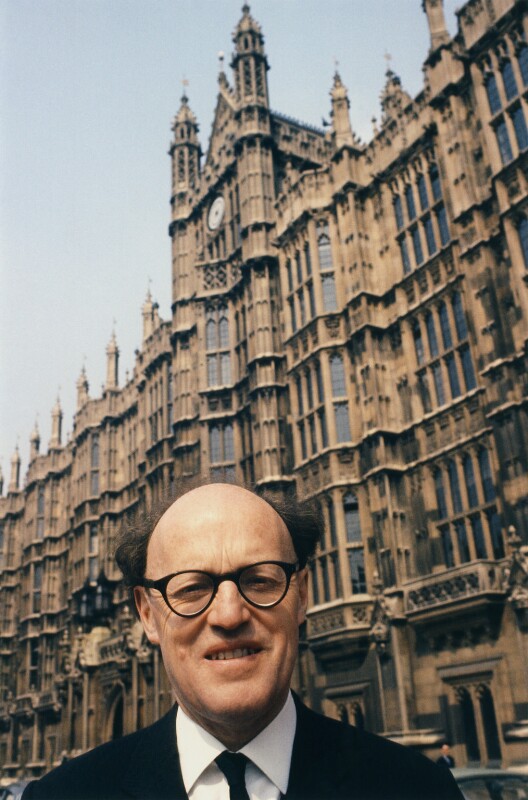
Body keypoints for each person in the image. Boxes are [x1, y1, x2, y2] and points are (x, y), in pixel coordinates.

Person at [23, 481, 463, 799]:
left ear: (302, 595)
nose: (230, 614)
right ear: (147, 614)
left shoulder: (419, 790)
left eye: (260, 580)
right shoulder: (61, 796)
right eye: (192, 588)